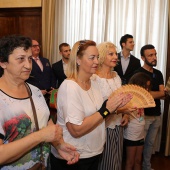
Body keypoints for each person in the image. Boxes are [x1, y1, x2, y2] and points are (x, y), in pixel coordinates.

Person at [50, 40, 132, 170]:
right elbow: (76, 130)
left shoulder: (94, 83)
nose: (96, 61)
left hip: (94, 152)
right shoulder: (70, 86)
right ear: (78, 60)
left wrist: (117, 108)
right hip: (74, 156)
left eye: (97, 57)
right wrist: (107, 109)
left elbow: (99, 120)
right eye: (92, 57)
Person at [0, 35, 79, 169]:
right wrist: (40, 136)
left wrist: (59, 145)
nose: (28, 65)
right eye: (21, 59)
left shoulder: (35, 91)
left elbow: (46, 125)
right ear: (3, 62)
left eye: (29, 59)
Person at [93, 42, 134, 170]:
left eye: (115, 53)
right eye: (110, 54)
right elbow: (96, 107)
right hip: (102, 126)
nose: (115, 57)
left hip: (118, 125)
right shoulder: (94, 78)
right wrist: (121, 110)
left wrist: (126, 114)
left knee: (116, 161)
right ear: (101, 56)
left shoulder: (116, 77)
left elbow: (122, 100)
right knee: (104, 162)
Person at [135, 44, 165, 170]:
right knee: (139, 144)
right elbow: (141, 96)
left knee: (150, 144)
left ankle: (147, 167)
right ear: (143, 58)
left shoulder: (158, 73)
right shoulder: (138, 74)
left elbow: (163, 94)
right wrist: (150, 94)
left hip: (157, 114)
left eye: (155, 54)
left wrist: (150, 94)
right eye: (150, 55)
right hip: (143, 116)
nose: (154, 57)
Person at [124, 72, 152, 170]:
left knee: (138, 161)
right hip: (131, 134)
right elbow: (124, 113)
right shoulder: (129, 98)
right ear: (138, 85)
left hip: (140, 133)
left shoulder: (142, 99)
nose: (147, 90)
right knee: (130, 162)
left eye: (148, 87)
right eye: (145, 87)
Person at [26, 39, 56, 104]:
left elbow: (51, 75)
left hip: (49, 95)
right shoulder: (27, 62)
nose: (37, 48)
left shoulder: (45, 60)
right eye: (34, 46)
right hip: (34, 96)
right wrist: (37, 91)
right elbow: (26, 80)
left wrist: (52, 88)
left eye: (38, 46)